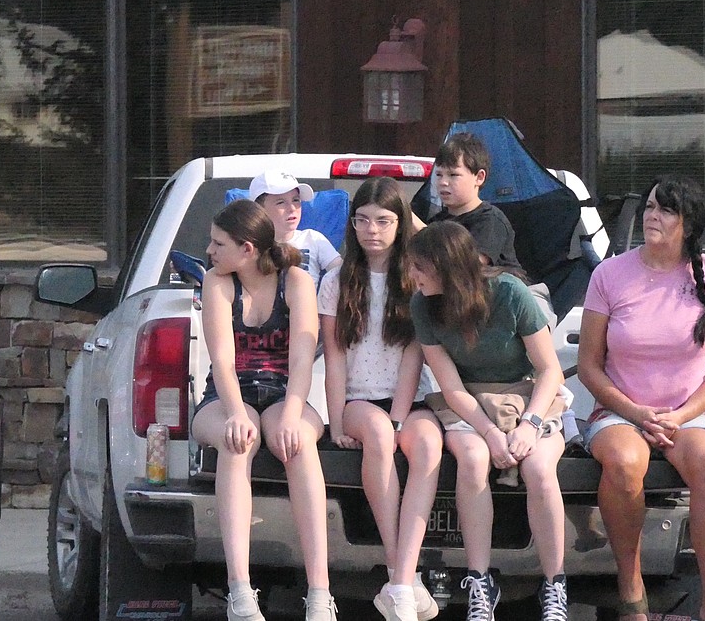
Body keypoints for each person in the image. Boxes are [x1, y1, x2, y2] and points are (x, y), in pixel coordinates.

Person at [578, 175, 705, 621]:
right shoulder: (609, 274)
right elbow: (589, 365)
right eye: (650, 206)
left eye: (666, 210)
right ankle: (631, 586)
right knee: (626, 462)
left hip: (687, 413)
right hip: (620, 411)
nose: (652, 215)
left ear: (687, 225)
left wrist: (681, 415)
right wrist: (634, 411)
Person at [408, 221, 569, 621]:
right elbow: (452, 387)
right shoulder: (423, 305)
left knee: (538, 466)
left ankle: (555, 582)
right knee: (473, 459)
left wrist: (530, 425)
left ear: (449, 268)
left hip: (528, 395)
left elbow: (550, 370)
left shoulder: (510, 292)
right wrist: (491, 433)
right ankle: (480, 580)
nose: (412, 276)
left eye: (420, 268)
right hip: (468, 400)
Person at [190, 199, 336, 621]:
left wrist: (292, 414)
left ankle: (320, 593)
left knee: (299, 444)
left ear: (248, 249)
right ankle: (239, 590)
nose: (210, 250)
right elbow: (221, 359)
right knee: (239, 441)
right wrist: (235, 412)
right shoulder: (217, 282)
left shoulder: (297, 282)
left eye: (219, 243)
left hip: (283, 391)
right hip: (226, 393)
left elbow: (302, 360)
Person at [317, 177, 437, 621]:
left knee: (426, 446)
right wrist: (333, 421)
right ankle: (398, 570)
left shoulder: (416, 279)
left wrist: (403, 415)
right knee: (379, 433)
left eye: (384, 220)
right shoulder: (335, 280)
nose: (373, 230)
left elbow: (413, 354)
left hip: (410, 396)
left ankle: (401, 582)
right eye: (363, 220)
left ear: (401, 223)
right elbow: (333, 356)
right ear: (352, 226)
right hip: (357, 401)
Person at [421, 133, 524, 276]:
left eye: (453, 175)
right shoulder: (437, 221)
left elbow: (467, 264)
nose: (443, 182)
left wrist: (412, 221)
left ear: (479, 177)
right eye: (438, 175)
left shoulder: (491, 220)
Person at [250, 169, 342, 289]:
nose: (292, 208)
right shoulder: (250, 245)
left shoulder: (313, 238)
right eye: (281, 202)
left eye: (296, 200)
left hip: (307, 305)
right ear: (259, 209)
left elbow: (342, 273)